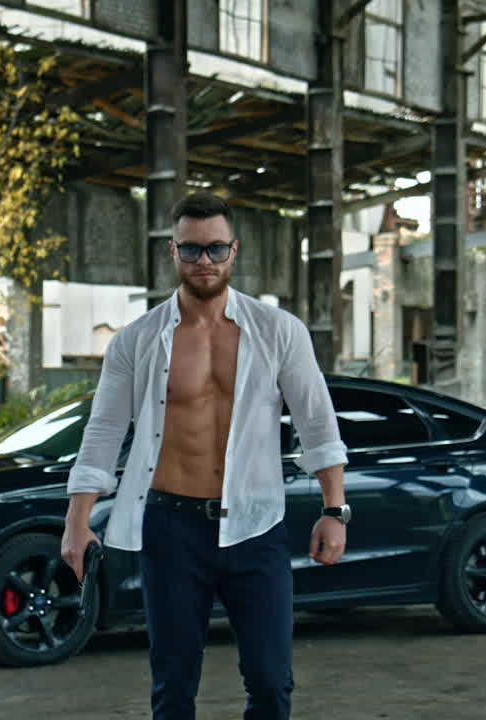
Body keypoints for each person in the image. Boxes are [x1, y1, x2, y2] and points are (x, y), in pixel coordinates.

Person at [61, 192, 349, 720]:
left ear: (234, 250)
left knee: (270, 681)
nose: (204, 262)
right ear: (172, 252)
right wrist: (77, 521)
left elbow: (317, 422)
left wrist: (334, 510)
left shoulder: (278, 331)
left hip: (256, 527)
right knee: (173, 686)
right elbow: (102, 433)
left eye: (216, 249)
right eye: (191, 250)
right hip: (171, 530)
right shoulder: (137, 340)